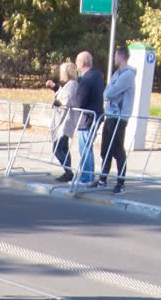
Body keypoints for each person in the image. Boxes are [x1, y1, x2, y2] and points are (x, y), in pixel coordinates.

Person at [97, 46, 134, 193]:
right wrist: (107, 93)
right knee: (106, 149)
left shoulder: (128, 75)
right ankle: (102, 179)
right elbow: (106, 91)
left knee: (117, 149)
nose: (114, 59)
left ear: (121, 57)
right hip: (110, 114)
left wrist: (107, 94)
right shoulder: (117, 73)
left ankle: (121, 182)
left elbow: (111, 92)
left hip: (119, 116)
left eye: (115, 56)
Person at [48, 61, 82, 184]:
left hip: (65, 120)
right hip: (61, 119)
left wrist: (58, 103)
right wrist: (54, 88)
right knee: (63, 147)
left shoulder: (72, 84)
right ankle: (68, 171)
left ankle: (69, 172)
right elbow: (61, 94)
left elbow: (67, 100)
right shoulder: (67, 84)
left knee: (58, 148)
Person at [75, 51, 104, 187]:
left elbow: (80, 101)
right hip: (95, 115)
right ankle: (88, 176)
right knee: (87, 147)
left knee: (85, 147)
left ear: (83, 62)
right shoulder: (97, 75)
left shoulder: (87, 79)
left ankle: (87, 177)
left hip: (87, 118)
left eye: (77, 61)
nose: (76, 64)